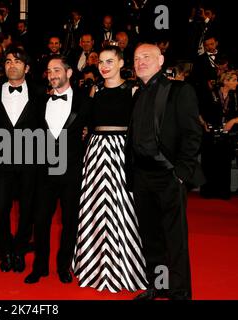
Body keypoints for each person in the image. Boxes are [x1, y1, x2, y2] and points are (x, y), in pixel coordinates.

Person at [126, 43, 204, 300]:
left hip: (169, 174)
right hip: (142, 176)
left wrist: (181, 172)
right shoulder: (137, 94)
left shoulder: (180, 90)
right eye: (136, 58)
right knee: (151, 237)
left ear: (161, 60)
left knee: (175, 238)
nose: (140, 62)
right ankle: (158, 286)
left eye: (146, 57)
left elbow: (192, 134)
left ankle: (180, 293)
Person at [72, 46, 147, 292]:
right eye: (101, 62)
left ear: (121, 63)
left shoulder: (134, 90)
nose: (104, 66)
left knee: (123, 208)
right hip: (96, 152)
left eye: (110, 61)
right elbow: (83, 120)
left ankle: (124, 266)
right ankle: (95, 266)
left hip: (122, 152)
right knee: (96, 208)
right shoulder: (95, 89)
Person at [24, 55, 90, 284]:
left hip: (72, 172)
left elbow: (91, 130)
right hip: (44, 172)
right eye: (49, 71)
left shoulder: (84, 100)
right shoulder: (40, 99)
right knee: (41, 221)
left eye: (57, 70)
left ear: (69, 73)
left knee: (70, 222)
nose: (52, 74)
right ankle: (40, 266)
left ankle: (64, 266)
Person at [0, 47, 45, 273]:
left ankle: (20, 250)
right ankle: (6, 250)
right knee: (0, 208)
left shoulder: (40, 93)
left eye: (18, 61)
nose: (12, 65)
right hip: (0, 159)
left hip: (30, 160)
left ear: (27, 67)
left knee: (27, 209)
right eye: (8, 61)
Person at [199, 70, 238, 199]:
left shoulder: (236, 96)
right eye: (234, 80)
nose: (237, 83)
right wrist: (203, 123)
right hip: (210, 133)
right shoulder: (210, 94)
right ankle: (208, 190)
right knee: (209, 162)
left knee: (225, 162)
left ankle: (223, 191)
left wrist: (233, 121)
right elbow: (197, 111)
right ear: (225, 81)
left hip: (227, 133)